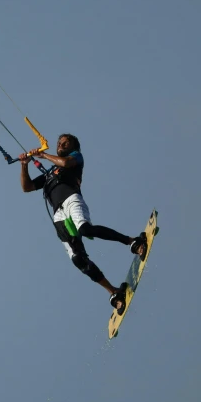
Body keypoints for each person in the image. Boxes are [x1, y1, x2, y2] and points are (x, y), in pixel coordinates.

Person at [18, 133, 147, 312]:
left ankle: (132, 241)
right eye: (59, 143)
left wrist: (43, 155)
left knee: (85, 229)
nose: (61, 144)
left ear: (73, 147)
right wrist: (24, 165)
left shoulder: (75, 158)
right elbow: (27, 187)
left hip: (71, 199)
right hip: (58, 215)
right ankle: (114, 291)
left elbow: (65, 163)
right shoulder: (49, 174)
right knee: (78, 258)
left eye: (65, 143)